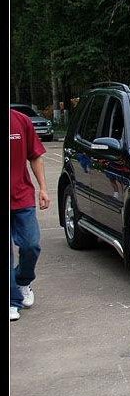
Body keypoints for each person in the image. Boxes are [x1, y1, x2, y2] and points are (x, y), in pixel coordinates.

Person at [10, 108, 50, 321]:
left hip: (22, 196)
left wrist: (43, 188)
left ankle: (23, 280)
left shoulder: (20, 121)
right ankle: (12, 300)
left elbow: (35, 156)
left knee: (31, 245)